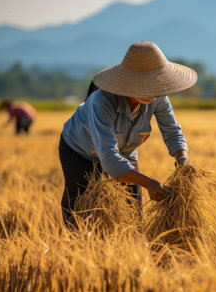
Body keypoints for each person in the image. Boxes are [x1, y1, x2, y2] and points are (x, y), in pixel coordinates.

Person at [59, 41, 197, 227]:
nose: (152, 91)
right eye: (145, 84)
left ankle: (129, 251)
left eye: (154, 83)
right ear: (128, 82)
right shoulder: (102, 102)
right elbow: (110, 160)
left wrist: (183, 160)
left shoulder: (158, 97)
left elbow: (172, 131)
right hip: (80, 151)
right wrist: (149, 183)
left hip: (124, 153)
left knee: (133, 214)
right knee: (80, 212)